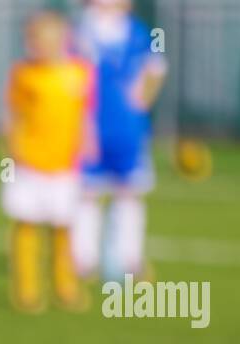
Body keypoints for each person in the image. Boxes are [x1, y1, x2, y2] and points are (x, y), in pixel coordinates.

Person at [1, 10, 96, 313]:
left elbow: (85, 114)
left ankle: (65, 287)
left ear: (63, 40)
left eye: (46, 39)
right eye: (34, 40)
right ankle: (27, 290)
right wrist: (11, 147)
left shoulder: (79, 73)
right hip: (30, 163)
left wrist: (88, 142)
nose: (39, 46)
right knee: (26, 226)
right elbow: (13, 114)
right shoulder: (24, 74)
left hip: (64, 165)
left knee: (64, 228)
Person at [72, 0, 167, 281]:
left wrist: (141, 100)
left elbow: (157, 68)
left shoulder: (140, 33)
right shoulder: (79, 32)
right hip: (90, 127)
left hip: (128, 130)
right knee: (86, 193)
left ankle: (129, 259)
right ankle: (82, 259)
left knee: (129, 192)